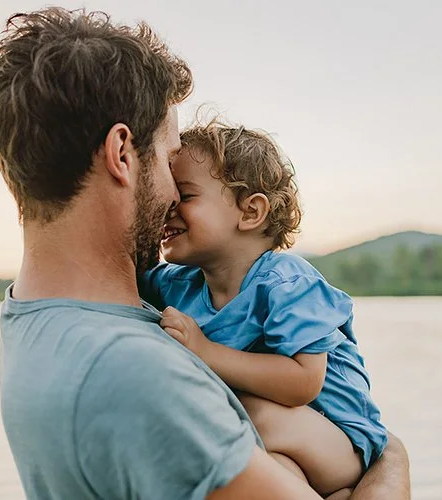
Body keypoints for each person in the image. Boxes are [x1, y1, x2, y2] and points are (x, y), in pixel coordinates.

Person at [0, 6, 410, 499]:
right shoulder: (136, 370)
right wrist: (393, 459)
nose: (172, 199)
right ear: (122, 154)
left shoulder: (35, 315)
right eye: (166, 158)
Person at [139, 121, 388, 497]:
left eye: (185, 196)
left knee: (240, 412)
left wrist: (205, 351)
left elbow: (303, 383)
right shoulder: (177, 283)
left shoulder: (286, 283)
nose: (168, 208)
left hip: (342, 442)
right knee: (271, 470)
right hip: (284, 448)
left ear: (251, 211)